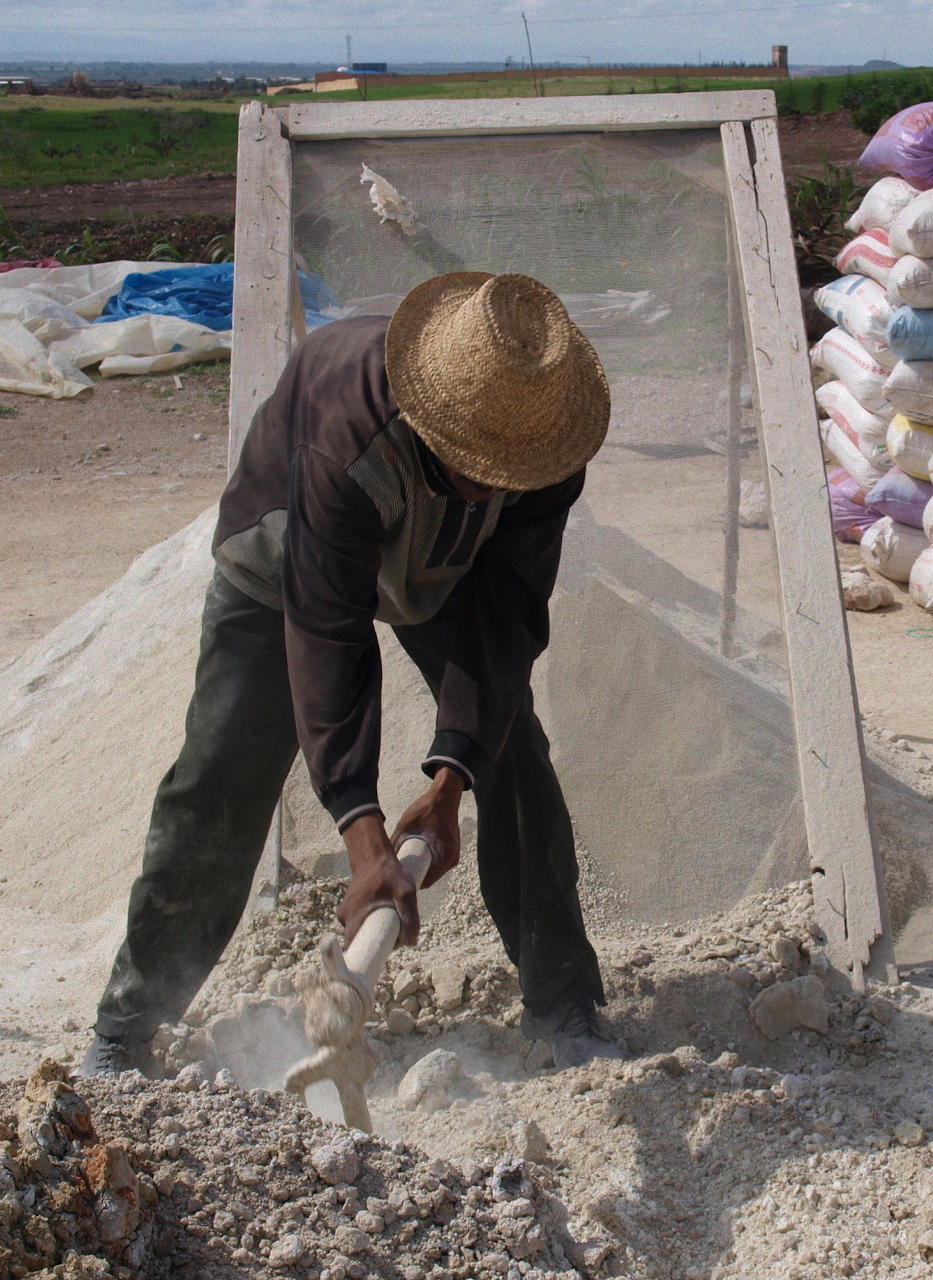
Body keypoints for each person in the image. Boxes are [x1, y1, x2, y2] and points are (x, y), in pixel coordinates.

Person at [81, 271, 622, 1075]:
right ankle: (128, 1029)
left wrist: (449, 785)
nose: (490, 478)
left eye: (504, 468)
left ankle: (563, 1001)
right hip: (286, 557)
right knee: (221, 772)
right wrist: (366, 842)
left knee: (514, 755)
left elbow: (506, 618)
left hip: (448, 568)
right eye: (474, 460)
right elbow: (326, 629)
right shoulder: (347, 422)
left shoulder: (544, 437)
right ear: (434, 414)